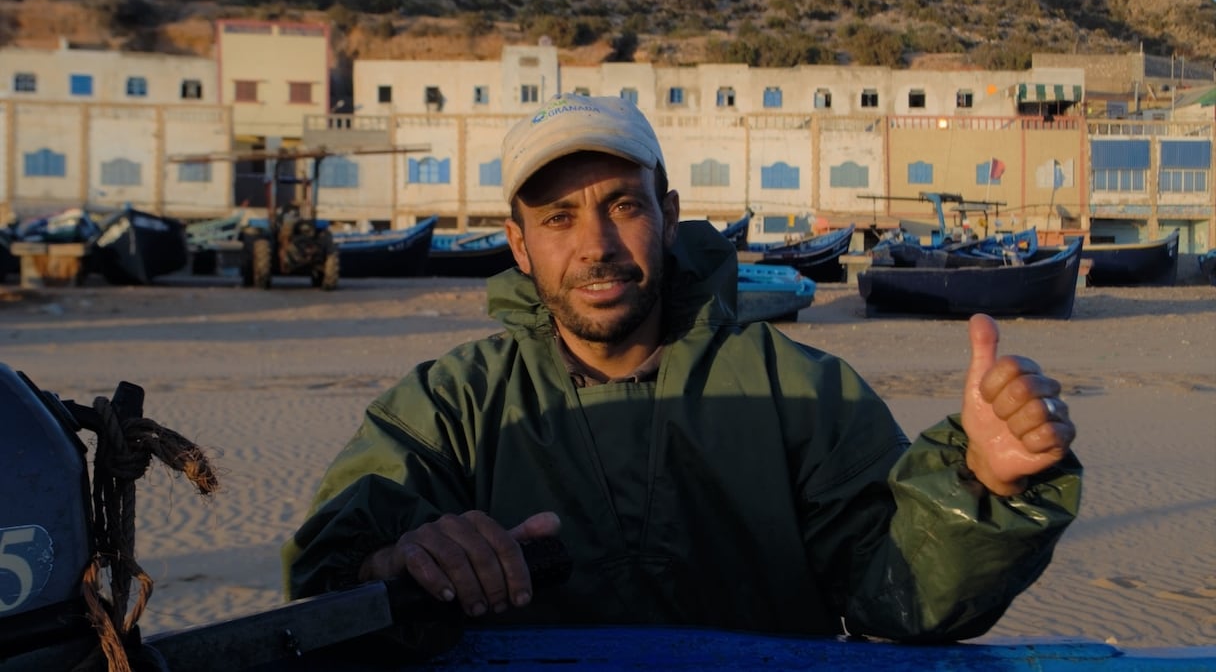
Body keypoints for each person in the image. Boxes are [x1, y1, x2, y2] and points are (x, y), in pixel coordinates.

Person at [283, 93, 1081, 644]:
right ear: (519, 245)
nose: (595, 245)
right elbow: (326, 573)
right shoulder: (449, 405)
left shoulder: (800, 392)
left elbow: (898, 599)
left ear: (667, 214)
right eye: (558, 218)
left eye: (622, 206)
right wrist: (398, 561)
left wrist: (983, 487)